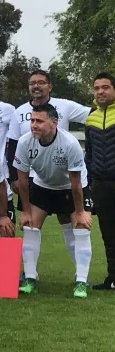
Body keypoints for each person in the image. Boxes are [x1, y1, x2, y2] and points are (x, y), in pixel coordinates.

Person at [13, 104, 92, 298]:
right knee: (30, 226)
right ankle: (30, 278)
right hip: (43, 187)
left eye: (39, 121)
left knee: (80, 228)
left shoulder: (69, 143)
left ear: (54, 123)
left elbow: (75, 183)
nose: (34, 125)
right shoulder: (24, 142)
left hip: (71, 188)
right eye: (32, 121)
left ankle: (81, 281)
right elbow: (23, 182)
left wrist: (80, 212)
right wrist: (24, 211)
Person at [85, 72, 115, 290]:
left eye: (105, 87)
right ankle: (112, 278)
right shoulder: (91, 117)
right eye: (97, 88)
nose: (100, 92)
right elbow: (89, 153)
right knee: (108, 232)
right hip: (101, 184)